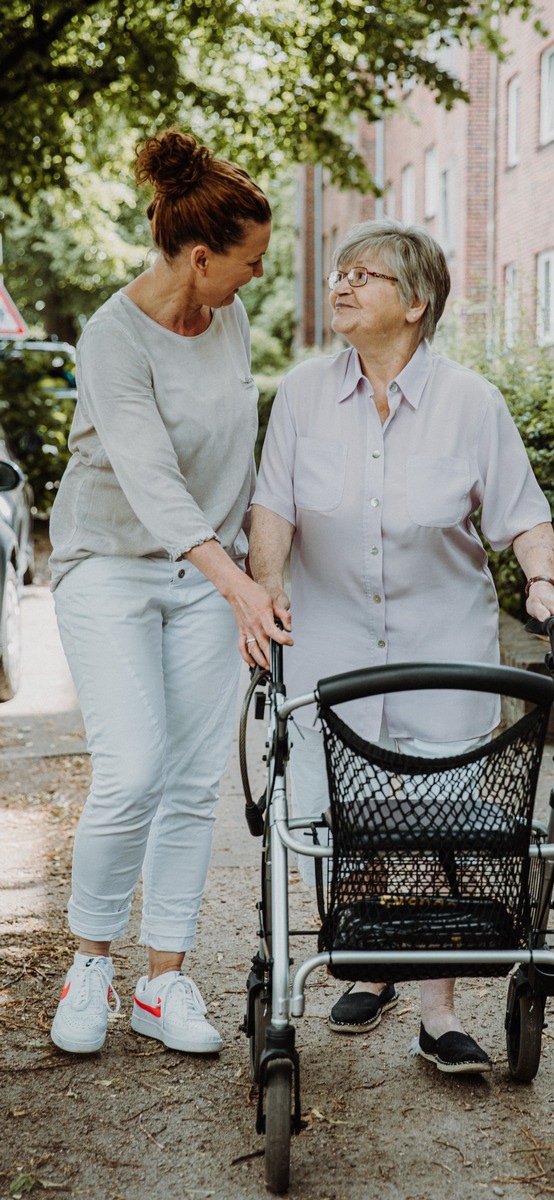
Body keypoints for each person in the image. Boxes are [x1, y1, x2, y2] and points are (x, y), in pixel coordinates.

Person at [245, 219, 554, 1074]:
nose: (341, 285)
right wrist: (266, 584)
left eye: (365, 275)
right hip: (331, 648)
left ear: (417, 301)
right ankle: (365, 954)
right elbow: (273, 506)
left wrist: (541, 583)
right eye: (339, 272)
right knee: (339, 812)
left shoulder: (473, 402)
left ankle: (437, 1009)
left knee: (437, 818)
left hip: (441, 645)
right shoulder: (303, 395)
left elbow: (522, 514)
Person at [48, 129, 275, 1056]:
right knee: (132, 769)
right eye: (249, 261)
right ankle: (90, 965)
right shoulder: (111, 337)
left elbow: (240, 457)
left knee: (190, 783)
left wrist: (252, 576)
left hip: (205, 573)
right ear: (198, 256)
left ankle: (164, 983)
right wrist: (243, 590)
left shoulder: (227, 318)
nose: (258, 276)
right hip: (110, 564)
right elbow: (150, 479)